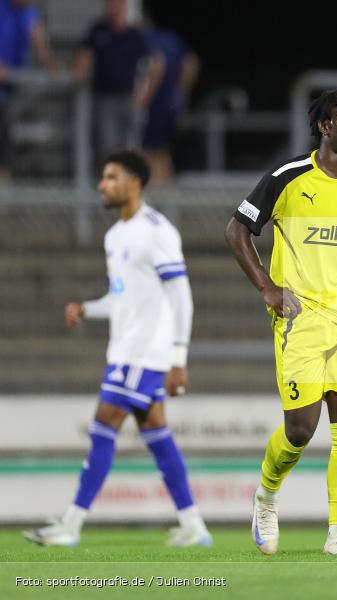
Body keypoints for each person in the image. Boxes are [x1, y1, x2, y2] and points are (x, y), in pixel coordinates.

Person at [224, 88, 337, 557]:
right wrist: (266, 287)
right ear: (324, 126)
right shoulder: (289, 177)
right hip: (302, 317)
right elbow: (236, 229)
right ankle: (267, 494)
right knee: (300, 429)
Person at [22, 151, 211, 548]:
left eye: (110, 178)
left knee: (103, 424)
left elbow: (182, 298)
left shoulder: (157, 230)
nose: (101, 185)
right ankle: (194, 525)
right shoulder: (115, 236)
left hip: (144, 354)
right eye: (102, 177)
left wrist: (178, 359)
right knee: (156, 433)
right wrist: (87, 308)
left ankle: (71, 525)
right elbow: (120, 297)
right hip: (124, 350)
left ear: (134, 183)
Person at [73, 0, 163, 167]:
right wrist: (80, 72)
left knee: (132, 145)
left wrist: (146, 94)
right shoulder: (99, 30)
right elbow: (84, 54)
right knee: (108, 145)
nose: (112, 8)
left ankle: (130, 184)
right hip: (105, 98)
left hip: (130, 98)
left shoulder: (134, 34)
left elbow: (156, 63)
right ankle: (113, 183)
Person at [0, 0, 57, 179]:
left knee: (4, 145)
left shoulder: (29, 12)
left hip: (7, 94)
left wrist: (50, 63)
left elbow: (38, 42)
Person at [141, 13, 200, 185]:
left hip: (155, 105)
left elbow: (157, 65)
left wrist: (145, 96)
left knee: (151, 151)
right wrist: (181, 92)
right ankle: (165, 195)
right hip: (171, 104)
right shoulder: (172, 39)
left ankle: (159, 194)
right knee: (162, 151)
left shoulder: (147, 41)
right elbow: (192, 63)